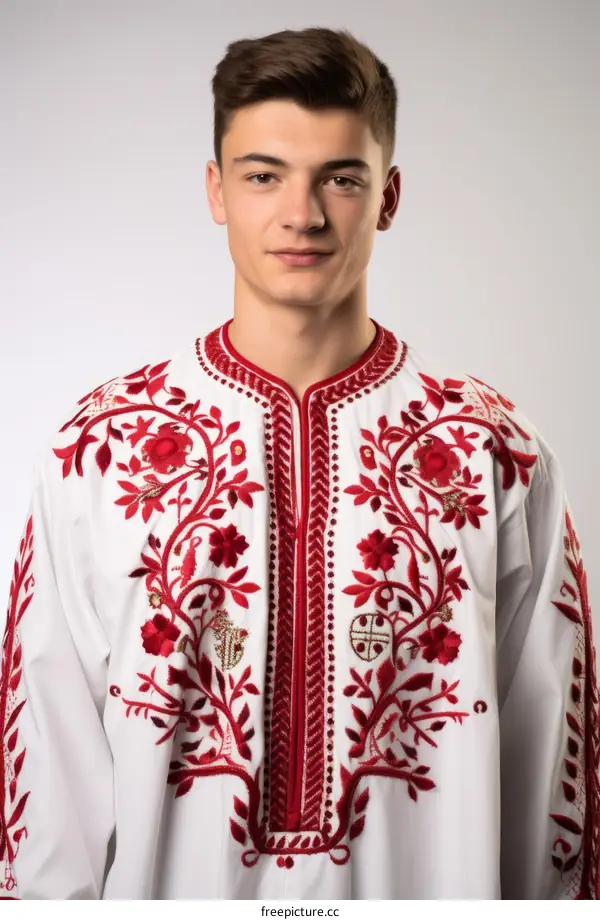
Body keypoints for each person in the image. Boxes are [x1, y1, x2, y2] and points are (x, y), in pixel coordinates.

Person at [1, 25, 598, 901]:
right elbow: (46, 771)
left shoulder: (492, 451)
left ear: (389, 197)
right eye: (263, 174)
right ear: (216, 191)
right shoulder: (106, 445)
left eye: (341, 179)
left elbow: (556, 770)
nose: (303, 214)